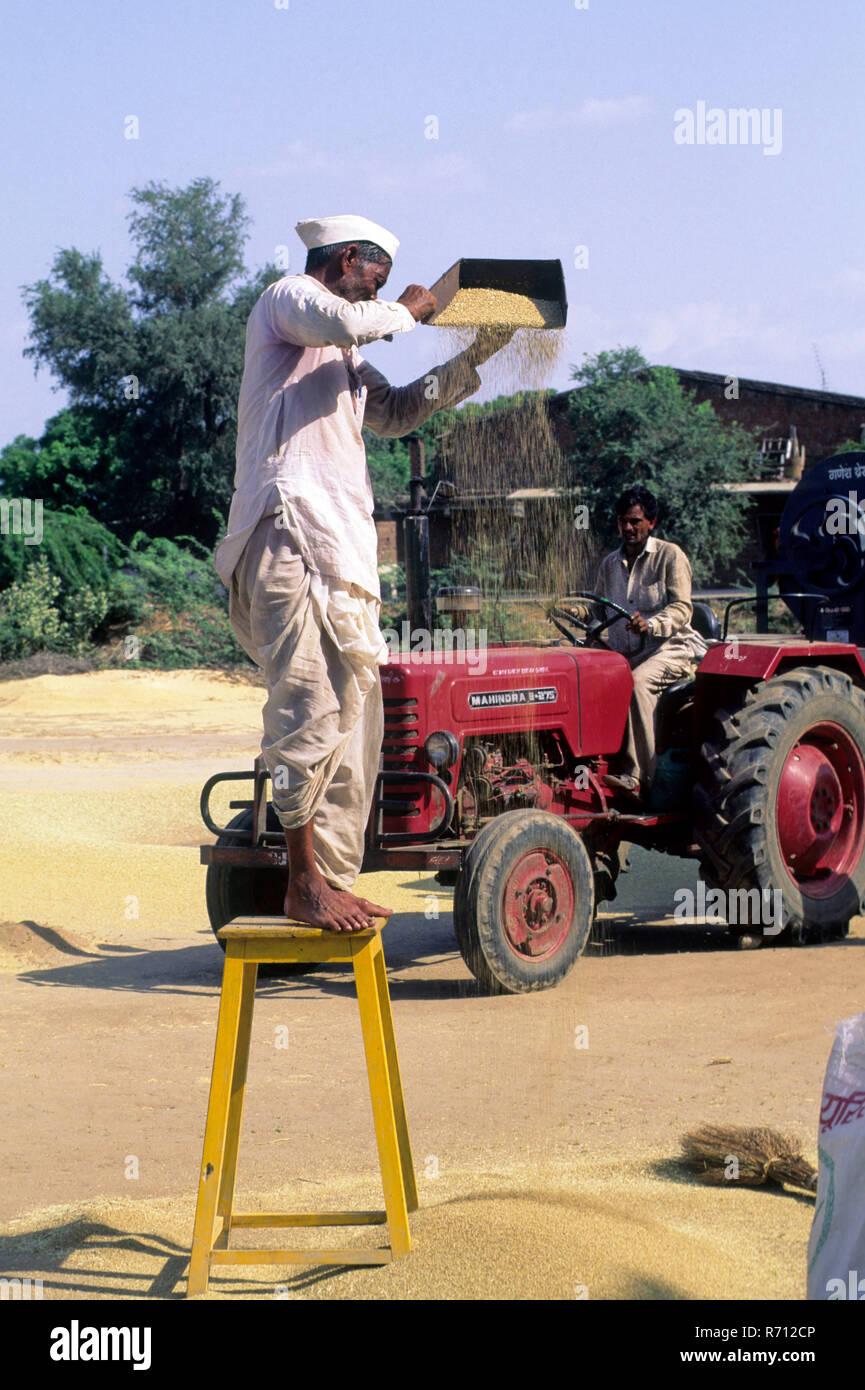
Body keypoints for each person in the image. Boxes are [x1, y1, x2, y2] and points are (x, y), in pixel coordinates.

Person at [215, 214, 511, 932]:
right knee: (308, 710)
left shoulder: (342, 359)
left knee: (354, 723)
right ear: (350, 258)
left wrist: (475, 355)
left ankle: (330, 880)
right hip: (288, 534)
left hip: (339, 550)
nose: (379, 287)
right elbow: (347, 320)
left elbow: (400, 410)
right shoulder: (286, 301)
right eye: (375, 273)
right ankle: (302, 885)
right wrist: (413, 308)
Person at [593, 486, 708, 801]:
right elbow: (597, 610)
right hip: (624, 653)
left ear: (651, 522)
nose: (628, 528)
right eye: (622, 521)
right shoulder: (609, 564)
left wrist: (652, 623)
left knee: (638, 683)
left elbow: (683, 608)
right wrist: (574, 613)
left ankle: (639, 778)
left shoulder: (669, 556)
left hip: (669, 649)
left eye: (635, 521)